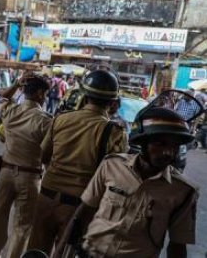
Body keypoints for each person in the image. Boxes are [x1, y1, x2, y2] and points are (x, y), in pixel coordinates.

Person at [53, 106, 199, 258]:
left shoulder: (184, 191)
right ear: (143, 143)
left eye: (174, 146)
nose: (168, 152)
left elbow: (177, 245)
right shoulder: (111, 165)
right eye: (160, 144)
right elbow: (84, 212)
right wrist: (60, 251)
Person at [27, 69, 128, 255]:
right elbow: (115, 177)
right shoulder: (115, 132)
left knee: (35, 253)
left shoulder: (60, 119)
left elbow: (43, 157)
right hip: (78, 209)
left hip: (45, 199)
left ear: (85, 95)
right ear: (113, 103)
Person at [0, 74, 52, 258]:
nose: (45, 97)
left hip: (5, 172)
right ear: (39, 93)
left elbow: (3, 97)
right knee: (22, 225)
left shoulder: (10, 111)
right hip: (30, 177)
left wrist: (16, 83)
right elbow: (48, 154)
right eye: (45, 93)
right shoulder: (45, 120)